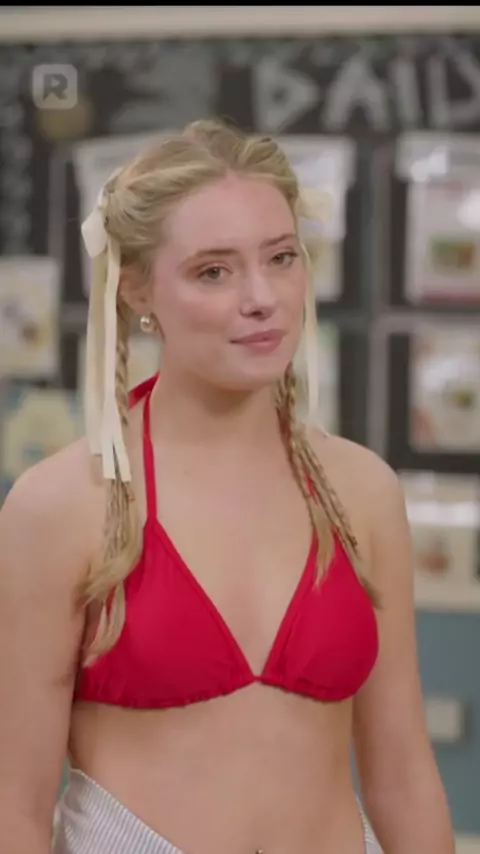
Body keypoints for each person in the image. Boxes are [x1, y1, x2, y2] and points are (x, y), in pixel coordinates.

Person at [0, 119, 454, 854]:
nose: (262, 297)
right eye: (213, 271)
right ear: (137, 288)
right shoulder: (64, 505)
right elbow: (12, 806)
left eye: (281, 258)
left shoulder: (361, 491)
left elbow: (402, 774)